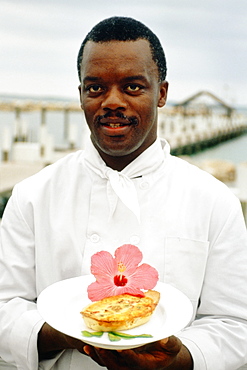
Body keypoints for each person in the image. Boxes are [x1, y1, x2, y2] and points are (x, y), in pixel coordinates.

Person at [0, 16, 247, 370]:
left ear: (161, 93)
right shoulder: (32, 196)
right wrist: (66, 331)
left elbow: (235, 324)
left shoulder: (214, 201)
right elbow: (4, 308)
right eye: (96, 88)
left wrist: (180, 360)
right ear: (81, 95)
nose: (112, 101)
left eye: (132, 87)